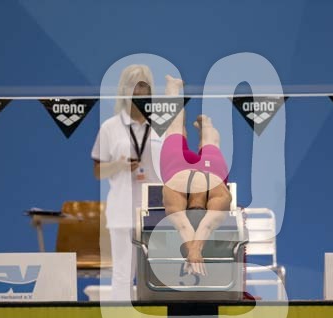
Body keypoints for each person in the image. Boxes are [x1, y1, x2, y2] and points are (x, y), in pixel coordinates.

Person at [91, 65, 163, 300]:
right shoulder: (110, 127)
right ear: (123, 90)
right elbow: (98, 171)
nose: (139, 92)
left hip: (156, 210)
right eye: (133, 86)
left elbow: (173, 166)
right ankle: (121, 317)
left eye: (143, 86)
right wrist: (118, 165)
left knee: (157, 273)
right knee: (122, 274)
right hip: (122, 211)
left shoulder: (162, 126)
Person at [160, 75, 232, 276]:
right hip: (184, 168)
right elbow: (196, 226)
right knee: (179, 130)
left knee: (207, 140)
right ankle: (175, 90)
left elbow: (195, 226)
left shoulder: (218, 194)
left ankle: (205, 123)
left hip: (199, 170)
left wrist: (194, 251)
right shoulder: (219, 194)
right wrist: (194, 252)